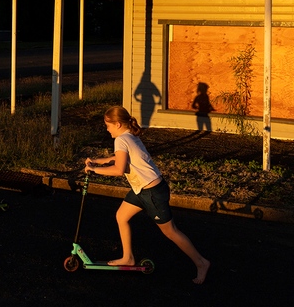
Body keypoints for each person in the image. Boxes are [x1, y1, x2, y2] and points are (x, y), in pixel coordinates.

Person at [85, 105, 210, 284]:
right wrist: (97, 161)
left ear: (118, 124)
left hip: (152, 193)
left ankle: (201, 262)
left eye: (108, 125)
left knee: (171, 232)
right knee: (121, 216)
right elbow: (118, 158)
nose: (107, 129)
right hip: (142, 189)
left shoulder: (121, 139)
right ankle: (128, 257)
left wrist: (95, 170)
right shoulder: (129, 136)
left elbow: (119, 169)